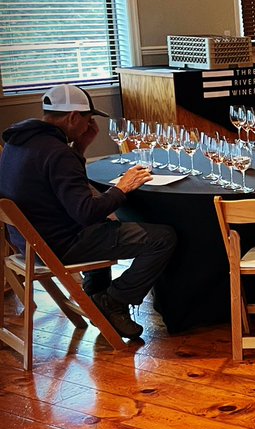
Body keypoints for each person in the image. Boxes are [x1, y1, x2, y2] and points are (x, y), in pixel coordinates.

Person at [0, 84, 177, 339]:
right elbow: (86, 212)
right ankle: (113, 301)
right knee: (163, 237)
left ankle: (95, 294)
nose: (89, 126)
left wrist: (79, 149)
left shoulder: (19, 143)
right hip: (58, 246)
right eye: (88, 119)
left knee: (103, 224)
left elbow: (63, 189)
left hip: (27, 244)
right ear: (72, 117)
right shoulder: (57, 153)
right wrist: (123, 188)